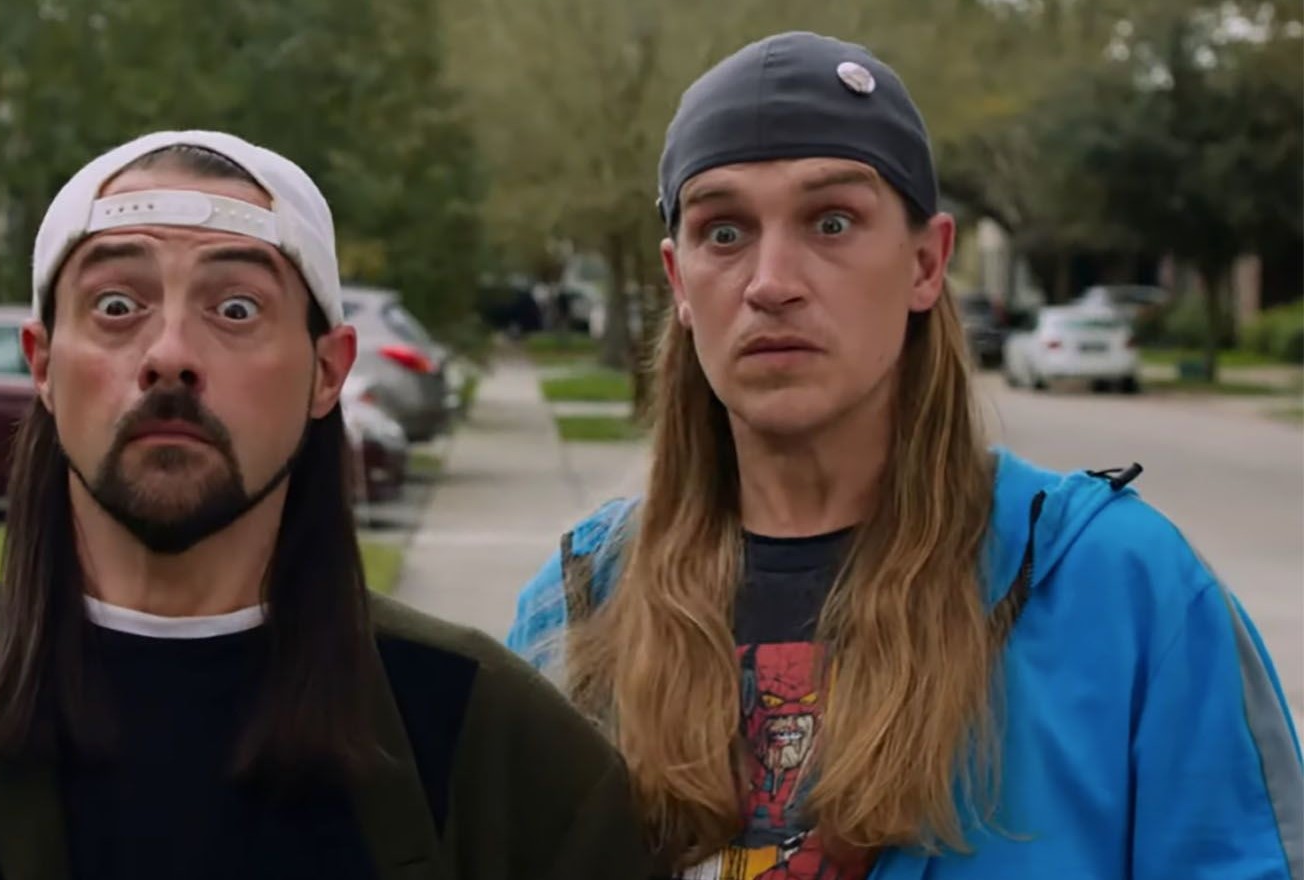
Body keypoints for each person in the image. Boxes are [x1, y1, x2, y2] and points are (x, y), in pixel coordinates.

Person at [0, 130, 653, 879]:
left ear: (328, 373)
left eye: (235, 309)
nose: (168, 354)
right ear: (42, 364)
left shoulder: (506, 757)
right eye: (116, 305)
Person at [508, 31, 1303, 880]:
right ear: (678, 282)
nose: (771, 281)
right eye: (724, 231)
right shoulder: (580, 604)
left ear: (927, 263)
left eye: (832, 222)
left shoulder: (1122, 590)